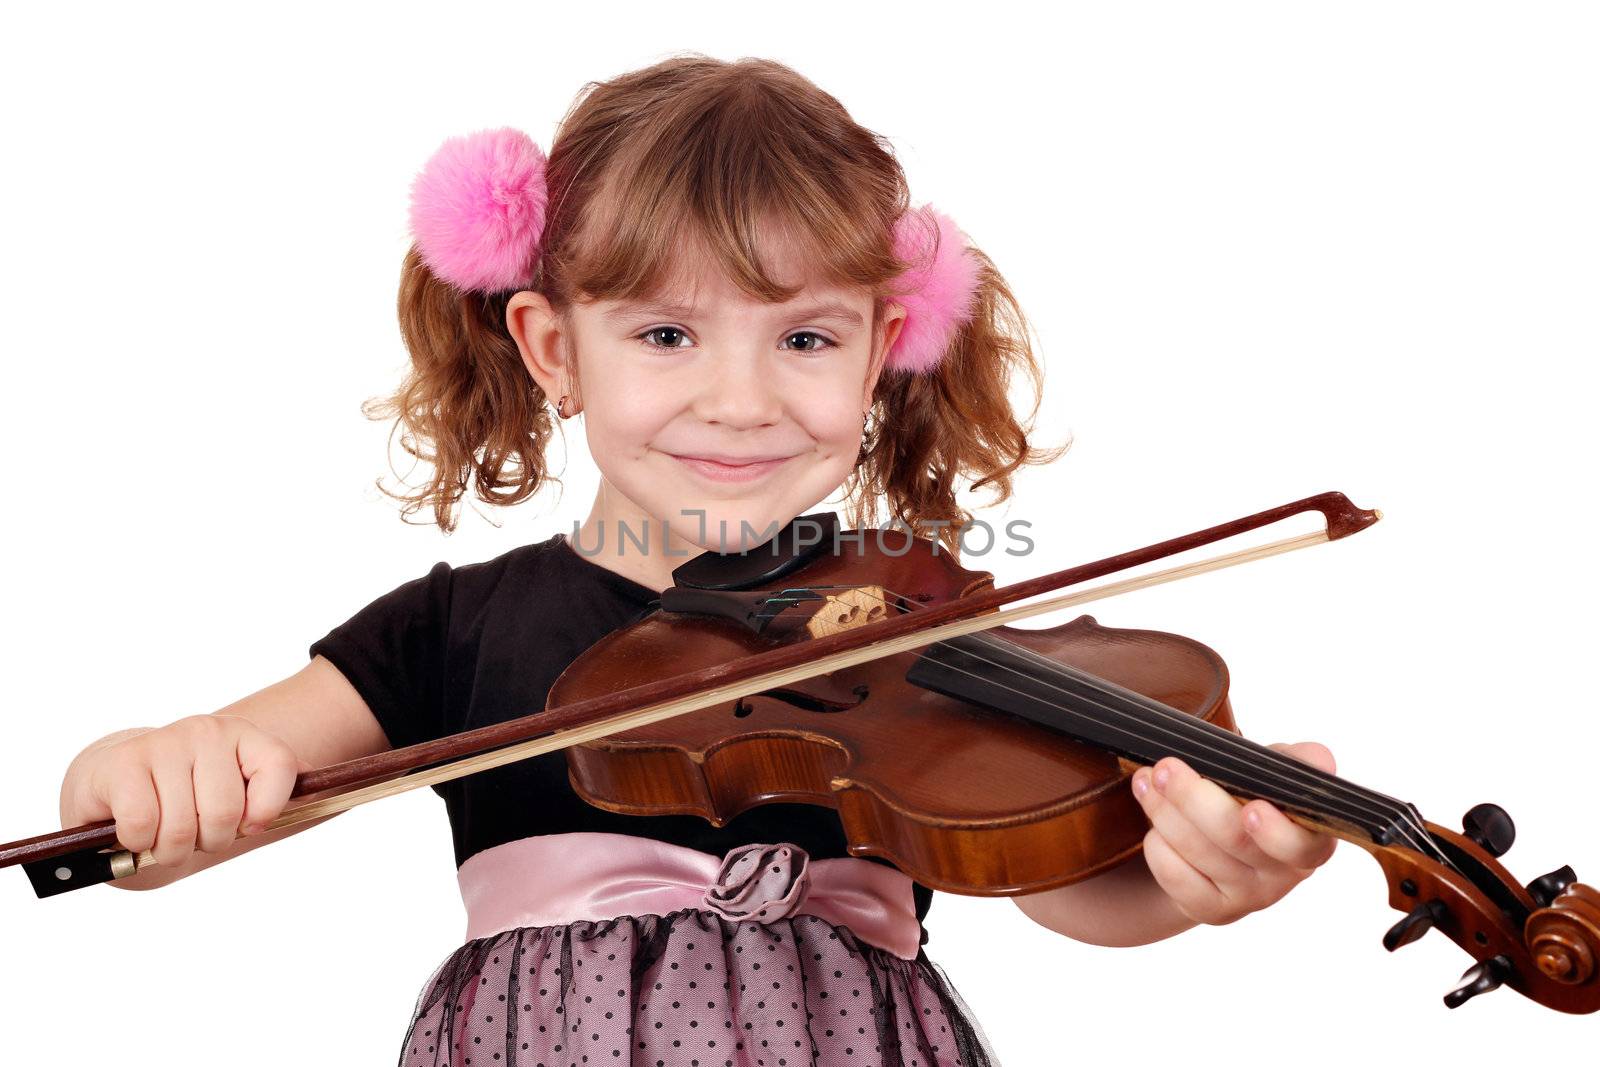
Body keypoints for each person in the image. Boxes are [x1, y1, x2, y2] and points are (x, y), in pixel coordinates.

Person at [54, 54, 1337, 1066]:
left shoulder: (921, 624)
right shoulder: (449, 633)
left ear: (882, 347)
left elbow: (1071, 884)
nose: (739, 400)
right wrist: (141, 766)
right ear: (554, 350)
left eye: (805, 339)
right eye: (667, 332)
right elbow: (157, 823)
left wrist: (1193, 878)